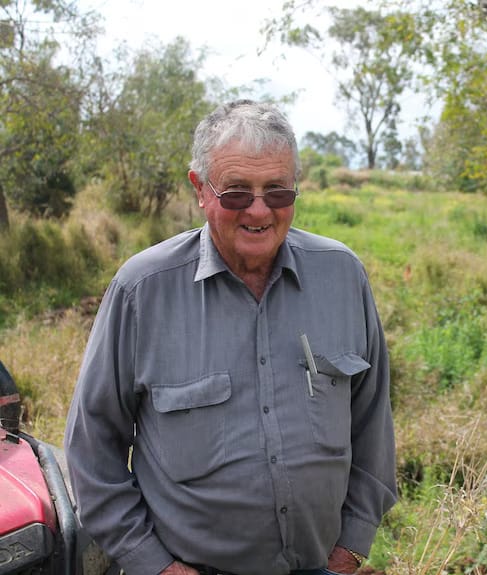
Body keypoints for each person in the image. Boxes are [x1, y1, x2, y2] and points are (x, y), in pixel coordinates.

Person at [64, 100, 397, 575]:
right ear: (200, 189)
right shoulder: (143, 290)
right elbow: (91, 448)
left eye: (278, 192)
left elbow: (373, 425)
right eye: (237, 192)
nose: (259, 211)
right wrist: (152, 564)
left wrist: (351, 549)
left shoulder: (342, 275)